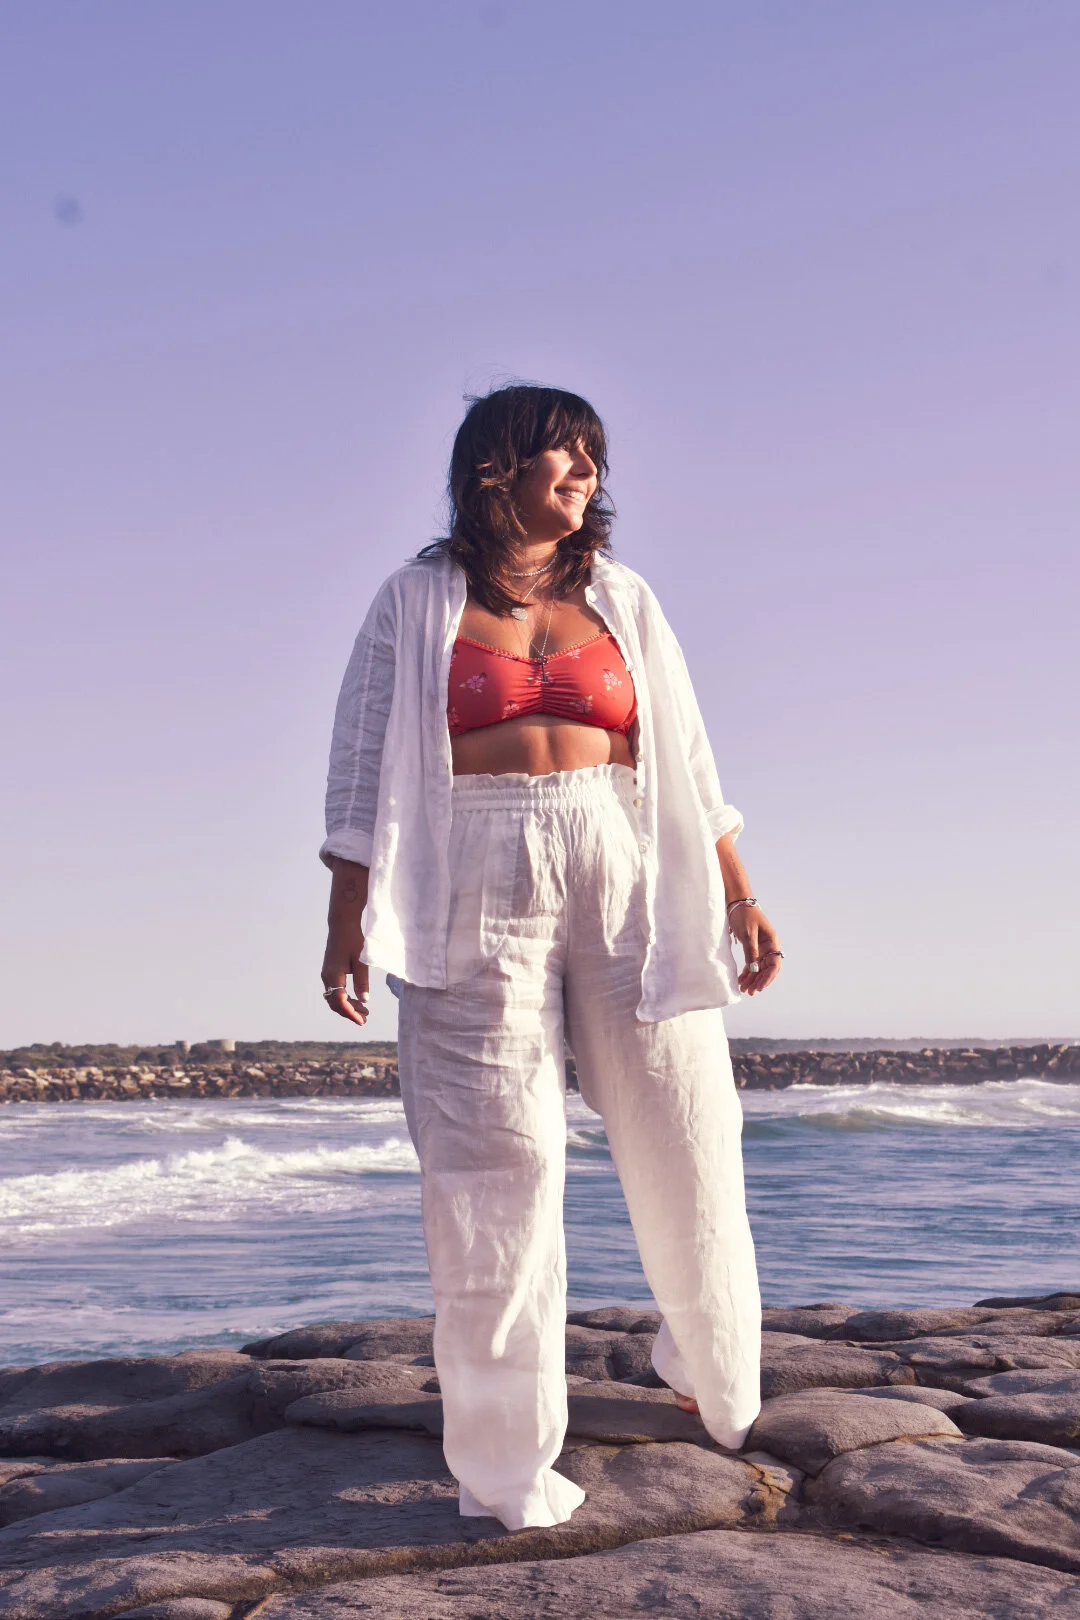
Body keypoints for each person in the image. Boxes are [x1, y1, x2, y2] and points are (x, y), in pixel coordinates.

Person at [318, 383, 783, 1532]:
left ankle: (712, 1375)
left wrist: (739, 894)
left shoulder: (623, 596)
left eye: (592, 459)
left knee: (688, 1127)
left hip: (627, 864)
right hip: (470, 876)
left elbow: (687, 756)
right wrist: (345, 920)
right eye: (563, 455)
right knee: (493, 1167)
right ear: (497, 470)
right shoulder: (414, 599)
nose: (585, 474)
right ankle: (506, 1466)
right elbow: (361, 762)